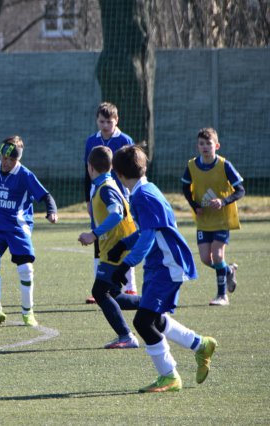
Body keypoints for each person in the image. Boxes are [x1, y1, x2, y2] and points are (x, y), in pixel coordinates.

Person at [109, 145, 217, 393]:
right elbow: (151, 229)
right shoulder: (147, 189)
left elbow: (148, 236)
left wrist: (125, 265)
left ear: (119, 174)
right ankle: (201, 345)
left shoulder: (142, 196)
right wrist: (124, 244)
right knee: (155, 318)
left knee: (144, 321)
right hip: (161, 264)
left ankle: (169, 376)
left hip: (167, 265)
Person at [0, 135, 58, 327]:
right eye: (4, 158)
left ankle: (27, 311)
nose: (6, 162)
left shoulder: (25, 175)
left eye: (11, 159)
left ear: (18, 159)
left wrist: (52, 212)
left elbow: (46, 196)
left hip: (18, 226)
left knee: (25, 269)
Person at [78, 146, 140, 349]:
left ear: (90, 167)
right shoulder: (103, 184)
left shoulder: (105, 187)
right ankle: (153, 304)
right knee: (112, 294)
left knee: (100, 292)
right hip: (112, 245)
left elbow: (116, 213)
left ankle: (126, 335)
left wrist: (93, 234)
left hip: (116, 246)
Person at [181, 128, 245, 306]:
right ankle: (228, 270)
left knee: (217, 256)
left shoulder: (224, 165)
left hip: (221, 219)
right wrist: (194, 205)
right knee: (205, 259)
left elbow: (240, 190)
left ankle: (222, 296)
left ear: (216, 145)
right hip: (204, 220)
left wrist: (223, 202)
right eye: (202, 144)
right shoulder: (192, 165)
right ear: (197, 146)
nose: (205, 147)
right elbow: (185, 188)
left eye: (209, 144)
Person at [83, 102, 137, 304]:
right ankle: (101, 285)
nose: (105, 125)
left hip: (119, 196)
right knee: (99, 239)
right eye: (101, 121)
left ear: (117, 121)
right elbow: (86, 171)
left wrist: (131, 194)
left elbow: (132, 169)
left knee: (123, 238)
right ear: (97, 120)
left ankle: (131, 288)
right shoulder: (91, 141)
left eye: (109, 121)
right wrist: (88, 199)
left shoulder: (125, 140)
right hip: (97, 195)